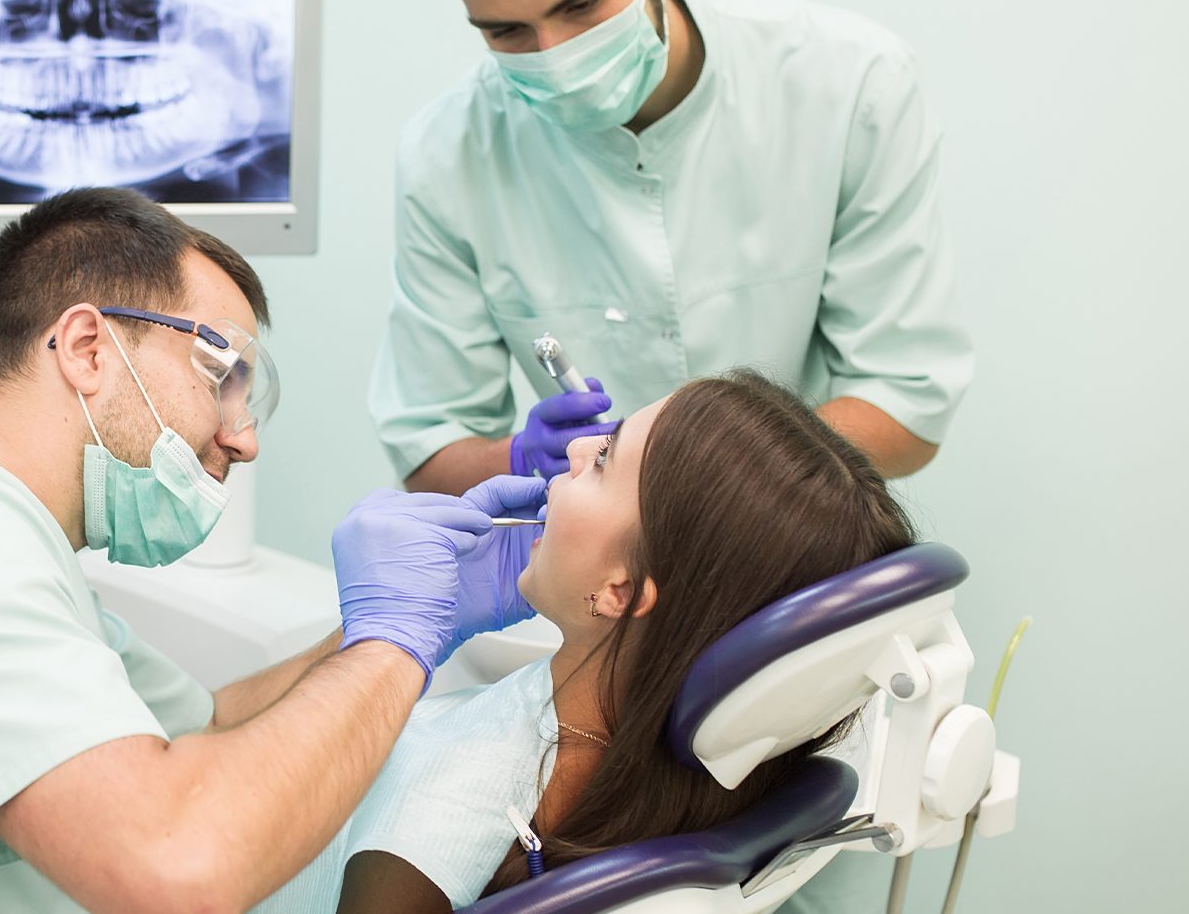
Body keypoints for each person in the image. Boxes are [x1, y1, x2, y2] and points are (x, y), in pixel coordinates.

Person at [0, 187, 548, 913]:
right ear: (88, 347)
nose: (243, 441)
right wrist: (397, 641)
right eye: (225, 379)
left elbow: (210, 725)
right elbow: (175, 863)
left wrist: (407, 615)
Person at [253, 370, 916, 912]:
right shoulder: (680, 781)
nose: (572, 452)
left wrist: (387, 637)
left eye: (603, 459)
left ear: (622, 592)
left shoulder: (462, 785)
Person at [373, 0, 974, 497]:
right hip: (591, 586)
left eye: (583, 4)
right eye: (506, 31)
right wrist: (519, 458)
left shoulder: (851, 85)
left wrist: (700, 466)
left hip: (805, 550)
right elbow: (430, 453)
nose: (556, 56)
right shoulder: (446, 155)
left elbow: (906, 404)